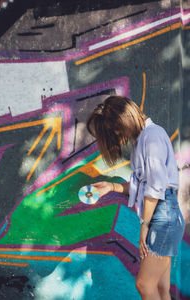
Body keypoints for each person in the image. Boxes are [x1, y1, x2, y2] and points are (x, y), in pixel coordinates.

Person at [86, 96, 185, 300]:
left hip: (163, 217)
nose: (117, 134)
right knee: (160, 288)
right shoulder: (142, 140)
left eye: (118, 128)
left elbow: (155, 188)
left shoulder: (151, 137)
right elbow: (142, 185)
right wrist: (111, 186)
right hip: (164, 215)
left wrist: (144, 226)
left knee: (144, 284)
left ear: (126, 118)